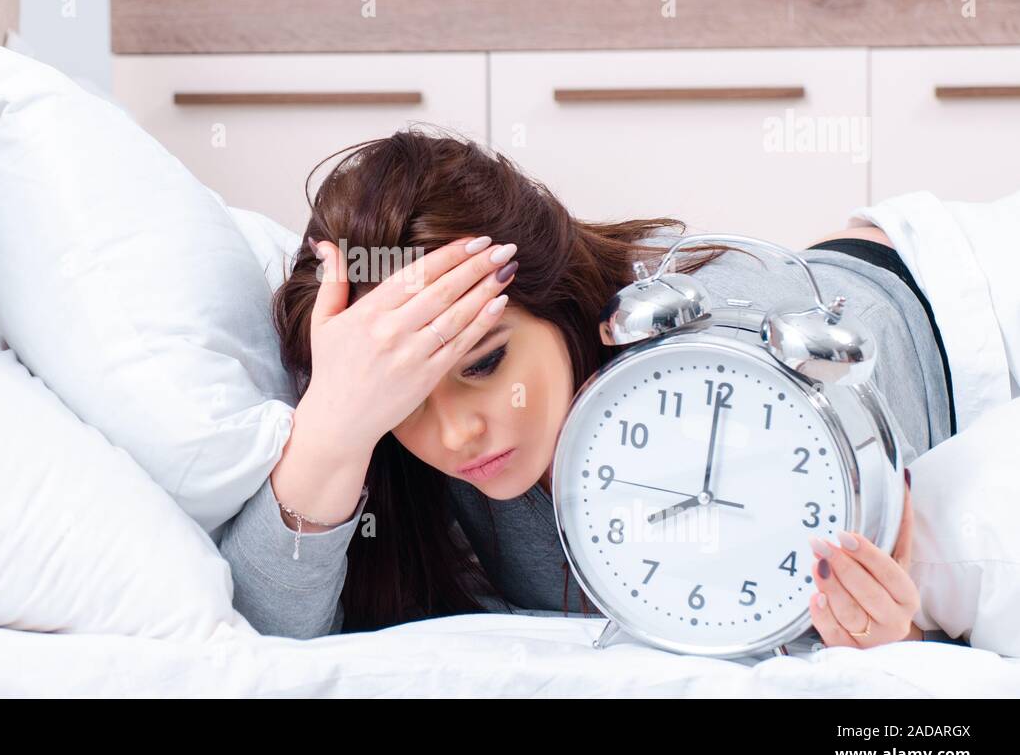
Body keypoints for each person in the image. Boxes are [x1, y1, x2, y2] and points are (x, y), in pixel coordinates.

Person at [216, 128, 956, 648]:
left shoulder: (726, 380)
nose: (456, 433)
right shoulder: (388, 453)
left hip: (948, 306)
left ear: (558, 298)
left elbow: (918, 605)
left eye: (483, 364)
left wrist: (903, 631)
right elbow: (261, 629)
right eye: (403, 395)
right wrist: (334, 427)